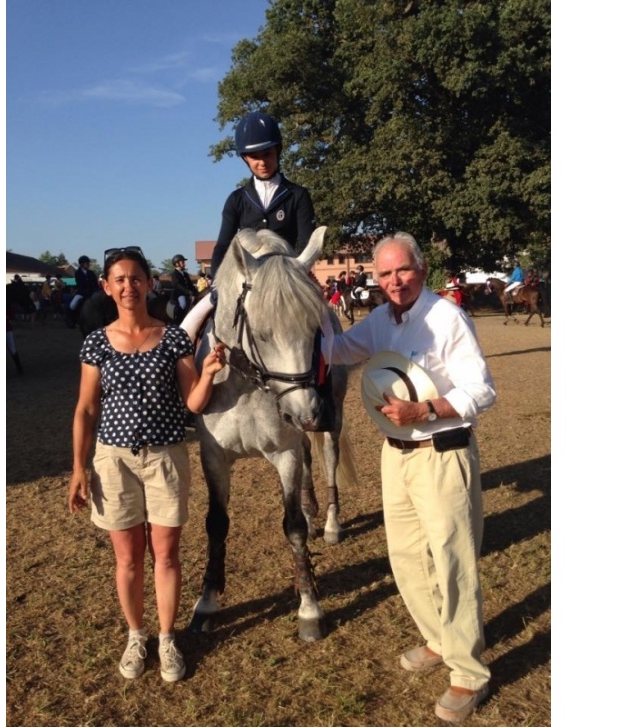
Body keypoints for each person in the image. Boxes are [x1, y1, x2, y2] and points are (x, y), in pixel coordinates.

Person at [329, 232, 496, 724]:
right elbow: (337, 350)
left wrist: (424, 408)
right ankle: (439, 640)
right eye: (384, 273)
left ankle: (469, 673)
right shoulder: (380, 321)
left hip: (441, 451)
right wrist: (304, 312)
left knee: (453, 560)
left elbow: (481, 390)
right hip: (395, 455)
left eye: (402, 270)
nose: (394, 281)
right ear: (374, 278)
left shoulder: (447, 317)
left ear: (420, 270)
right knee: (405, 556)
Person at [68, 247, 227, 684]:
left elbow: (192, 402)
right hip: (114, 461)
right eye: (119, 279)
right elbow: (85, 409)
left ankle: (167, 637)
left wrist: (209, 372)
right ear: (106, 286)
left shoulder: (174, 337)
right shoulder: (96, 342)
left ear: (149, 283)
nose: (128, 286)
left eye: (136, 278)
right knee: (128, 559)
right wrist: (79, 468)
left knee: (167, 555)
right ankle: (136, 635)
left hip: (165, 459)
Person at [180, 110, 318, 341]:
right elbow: (223, 244)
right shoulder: (236, 200)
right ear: (245, 158)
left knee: (325, 327)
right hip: (245, 279)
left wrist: (298, 274)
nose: (262, 162)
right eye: (255, 156)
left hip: (285, 278)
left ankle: (328, 373)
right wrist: (216, 279)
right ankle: (182, 354)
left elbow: (305, 242)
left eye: (268, 154)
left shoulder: (298, 195)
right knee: (192, 322)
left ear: (278, 151)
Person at [68, 255, 100, 328]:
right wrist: (85, 291)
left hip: (92, 293)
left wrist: (96, 291)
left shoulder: (91, 273)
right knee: (72, 305)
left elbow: (95, 283)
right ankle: (72, 320)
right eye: (87, 263)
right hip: (81, 293)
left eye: (88, 263)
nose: (88, 264)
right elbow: (79, 283)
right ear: (82, 264)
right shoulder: (78, 273)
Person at [169, 254, 195, 324]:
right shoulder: (174, 273)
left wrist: (196, 291)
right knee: (183, 304)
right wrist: (188, 292)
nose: (184, 263)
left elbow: (190, 284)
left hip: (187, 293)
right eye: (182, 262)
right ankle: (178, 320)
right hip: (179, 294)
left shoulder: (185, 274)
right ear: (177, 264)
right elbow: (177, 285)